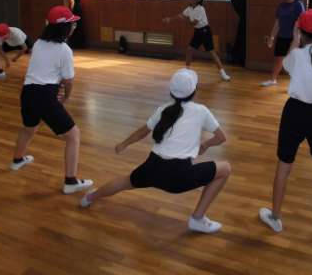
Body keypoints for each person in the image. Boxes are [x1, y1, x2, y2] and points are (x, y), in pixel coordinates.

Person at [80, 68, 231, 234]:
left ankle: (90, 197)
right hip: (178, 177)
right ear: (195, 90)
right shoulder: (201, 111)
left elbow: (142, 132)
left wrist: (124, 144)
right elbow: (221, 137)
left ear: (171, 92)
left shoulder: (163, 109)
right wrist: (205, 145)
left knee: (124, 182)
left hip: (152, 167)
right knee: (225, 169)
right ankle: (197, 219)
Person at [259, 9, 312, 233]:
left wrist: (295, 40)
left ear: (301, 31)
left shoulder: (296, 56)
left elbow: (286, 64)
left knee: (284, 166)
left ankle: (275, 217)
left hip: (295, 113)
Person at [10, 5, 93, 195]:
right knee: (73, 136)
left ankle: (17, 160)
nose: (74, 27)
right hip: (45, 96)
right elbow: (68, 81)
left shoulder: (39, 43)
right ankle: (70, 181)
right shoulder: (64, 50)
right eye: (72, 24)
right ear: (64, 28)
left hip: (28, 93)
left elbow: (47, 71)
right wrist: (66, 97)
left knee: (29, 128)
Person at [163, 0, 231, 82]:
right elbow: (181, 15)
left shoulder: (200, 9)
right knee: (189, 49)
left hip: (205, 31)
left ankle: (223, 73)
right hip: (198, 31)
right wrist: (170, 19)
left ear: (198, 0)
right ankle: (187, 70)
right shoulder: (189, 8)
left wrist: (185, 19)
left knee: (212, 52)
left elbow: (193, 23)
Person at [261, 0, 304, 87]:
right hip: (282, 37)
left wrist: (296, 39)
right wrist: (271, 38)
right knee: (278, 60)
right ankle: (273, 80)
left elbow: (301, 21)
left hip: (293, 39)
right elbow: (277, 24)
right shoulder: (281, 6)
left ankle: (296, 84)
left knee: (293, 61)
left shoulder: (298, 5)